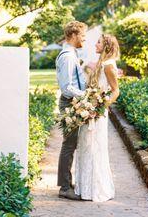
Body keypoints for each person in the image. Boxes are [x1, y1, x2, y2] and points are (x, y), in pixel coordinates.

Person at [74, 34, 120, 201]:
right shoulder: (101, 62)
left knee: (94, 149)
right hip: (90, 110)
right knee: (86, 147)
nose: (95, 43)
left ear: (106, 46)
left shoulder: (108, 65)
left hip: (97, 113)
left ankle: (96, 189)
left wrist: (99, 108)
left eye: (99, 42)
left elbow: (116, 91)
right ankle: (85, 189)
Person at [56, 20, 88, 200]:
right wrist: (85, 96)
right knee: (69, 145)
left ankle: (67, 182)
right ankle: (65, 187)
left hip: (73, 103)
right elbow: (67, 87)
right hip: (70, 104)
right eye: (82, 35)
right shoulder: (67, 57)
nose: (84, 39)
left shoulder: (72, 54)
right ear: (74, 35)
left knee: (71, 144)